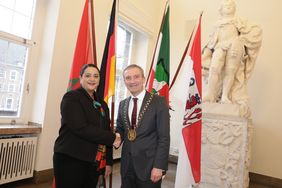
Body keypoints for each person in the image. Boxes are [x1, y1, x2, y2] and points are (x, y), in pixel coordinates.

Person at [53, 64, 121, 188]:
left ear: (99, 80)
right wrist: (113, 138)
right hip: (71, 159)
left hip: (93, 162)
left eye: (96, 76)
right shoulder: (71, 97)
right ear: (81, 78)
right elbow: (80, 128)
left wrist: (108, 162)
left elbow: (106, 131)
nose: (92, 79)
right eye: (88, 75)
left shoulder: (102, 103)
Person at [114, 64, 170, 188]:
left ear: (143, 79)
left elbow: (164, 137)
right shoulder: (123, 104)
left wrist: (159, 166)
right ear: (124, 81)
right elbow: (121, 127)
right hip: (127, 165)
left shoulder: (159, 102)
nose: (132, 81)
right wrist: (118, 135)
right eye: (128, 78)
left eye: (136, 77)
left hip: (149, 166)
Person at [202, 0, 262, 110]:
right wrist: (216, 47)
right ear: (221, 9)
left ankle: (225, 96)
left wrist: (238, 41)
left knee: (231, 70)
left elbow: (253, 31)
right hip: (220, 46)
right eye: (225, 6)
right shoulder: (217, 24)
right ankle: (210, 94)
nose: (228, 7)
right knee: (214, 68)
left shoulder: (239, 22)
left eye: (230, 5)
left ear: (234, 8)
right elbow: (211, 42)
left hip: (234, 47)